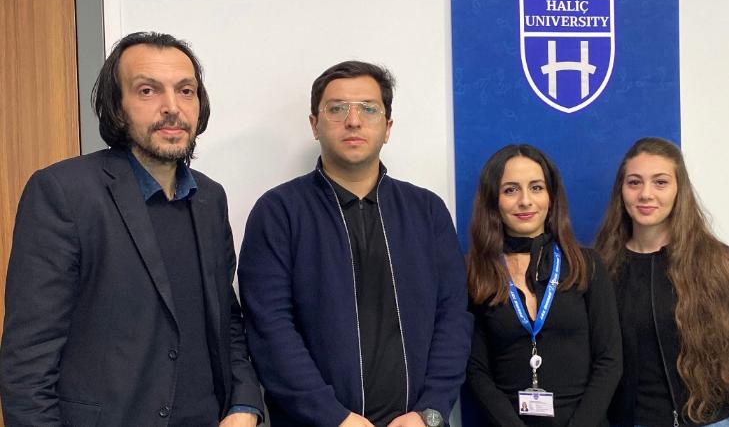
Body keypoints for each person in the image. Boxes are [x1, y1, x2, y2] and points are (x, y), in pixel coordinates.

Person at [0, 32, 263, 427]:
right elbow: (28, 360)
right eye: (147, 91)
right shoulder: (63, 192)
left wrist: (244, 404)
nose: (172, 107)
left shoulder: (210, 198)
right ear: (117, 107)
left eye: (186, 91)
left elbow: (227, 321)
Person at [237, 61, 472, 427]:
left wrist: (430, 412)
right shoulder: (279, 211)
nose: (353, 121)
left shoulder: (426, 211)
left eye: (368, 108)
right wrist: (333, 418)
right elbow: (270, 329)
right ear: (314, 124)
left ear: (388, 127)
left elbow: (453, 318)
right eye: (337, 108)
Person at [595, 137, 729, 427]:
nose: (646, 194)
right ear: (621, 190)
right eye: (634, 182)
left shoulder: (718, 262)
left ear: (680, 190)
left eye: (660, 182)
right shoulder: (601, 268)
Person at [465, 144, 622, 427]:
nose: (525, 201)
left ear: (551, 196)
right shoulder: (477, 272)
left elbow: (609, 361)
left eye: (536, 188)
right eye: (511, 190)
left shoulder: (586, 264)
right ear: (493, 200)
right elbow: (476, 370)